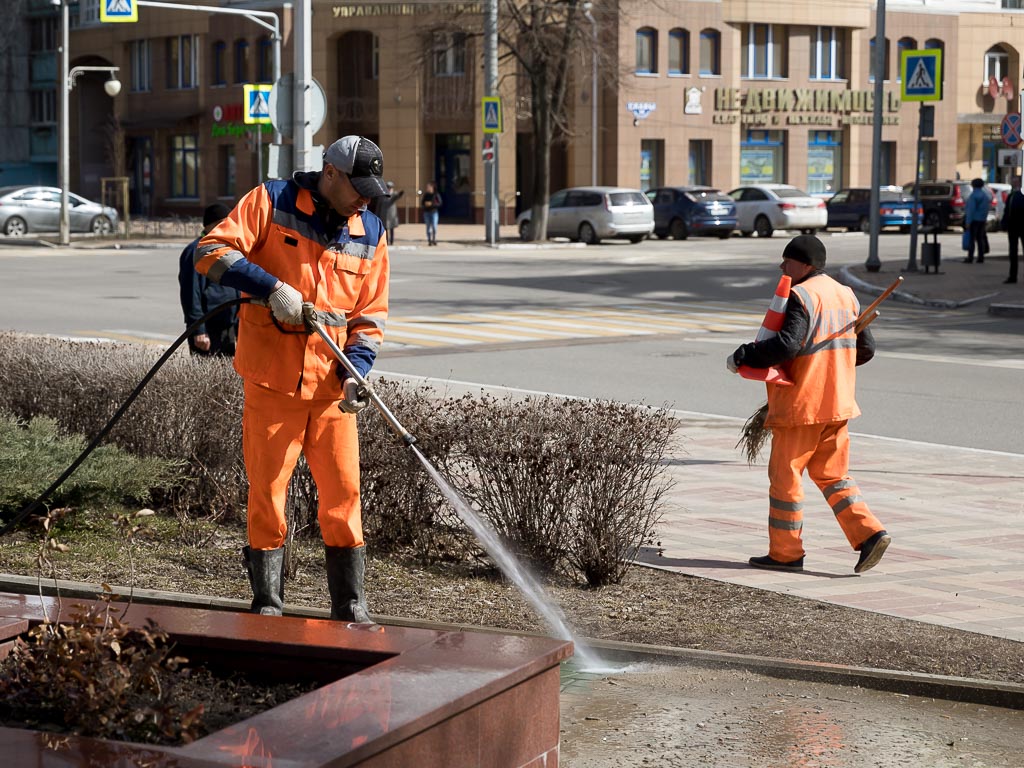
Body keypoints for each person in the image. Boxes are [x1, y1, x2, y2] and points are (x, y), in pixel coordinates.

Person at [195, 135, 390, 620]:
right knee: (268, 494)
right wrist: (270, 287)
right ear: (330, 174)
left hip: (330, 391)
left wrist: (357, 372)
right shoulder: (272, 201)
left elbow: (370, 315)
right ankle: (268, 603)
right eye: (358, 187)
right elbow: (210, 251)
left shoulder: (370, 230)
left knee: (344, 494)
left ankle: (351, 605)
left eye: (372, 189)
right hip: (273, 383)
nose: (365, 198)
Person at [726, 235, 890, 574]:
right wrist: (834, 364)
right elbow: (867, 350)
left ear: (805, 265)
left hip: (804, 406)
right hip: (839, 402)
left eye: (786, 262)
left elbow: (786, 346)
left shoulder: (801, 295)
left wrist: (746, 354)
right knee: (833, 475)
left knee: (785, 477)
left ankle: (786, 553)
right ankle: (870, 534)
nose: (782, 268)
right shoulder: (846, 294)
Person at [177, 203, 240, 357]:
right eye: (225, 223)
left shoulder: (227, 248)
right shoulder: (196, 251)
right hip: (207, 330)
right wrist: (198, 330)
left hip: (228, 326)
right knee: (208, 377)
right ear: (214, 225)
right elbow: (191, 294)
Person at [1001, 174, 1023, 284]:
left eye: (1016, 181)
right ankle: (1012, 276)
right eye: (1013, 181)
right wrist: (1004, 224)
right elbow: (1006, 211)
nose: (1014, 183)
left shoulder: (1018, 195)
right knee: (1013, 252)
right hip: (1012, 227)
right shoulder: (1011, 196)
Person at [964, 177, 991, 264]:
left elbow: (971, 210)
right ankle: (981, 257)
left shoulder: (974, 196)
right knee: (980, 238)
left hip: (974, 220)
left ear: (973, 185)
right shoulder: (985, 196)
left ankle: (970, 257)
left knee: (972, 239)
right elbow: (987, 208)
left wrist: (968, 222)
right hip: (982, 220)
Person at [421, 181, 442, 246]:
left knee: (434, 226)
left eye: (429, 187)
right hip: (426, 213)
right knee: (428, 227)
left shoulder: (436, 195)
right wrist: (425, 205)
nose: (427, 188)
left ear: (432, 187)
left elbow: (440, 203)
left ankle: (434, 239)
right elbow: (422, 203)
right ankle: (429, 240)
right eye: (427, 187)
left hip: (434, 213)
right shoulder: (426, 195)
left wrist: (432, 204)